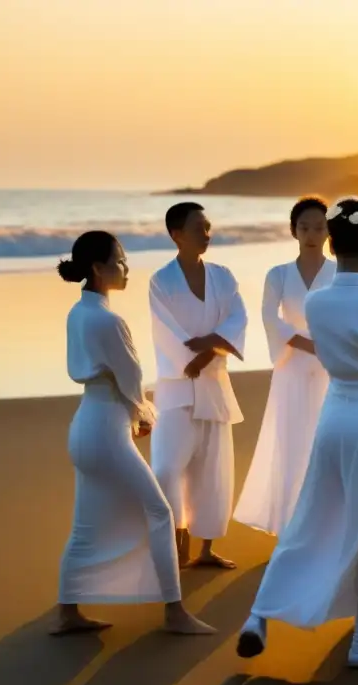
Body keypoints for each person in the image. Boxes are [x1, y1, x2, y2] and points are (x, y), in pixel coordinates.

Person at [236, 197, 358, 669]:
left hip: (334, 418)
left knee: (309, 518)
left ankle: (258, 616)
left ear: (332, 241)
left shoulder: (318, 302)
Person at [53, 230, 213, 635]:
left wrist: (134, 413)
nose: (125, 268)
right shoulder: (109, 320)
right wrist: (144, 415)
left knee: (86, 523)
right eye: (120, 260)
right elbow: (130, 379)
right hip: (106, 428)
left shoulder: (79, 312)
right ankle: (175, 613)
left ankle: (68, 611)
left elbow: (112, 378)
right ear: (98, 268)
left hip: (85, 426)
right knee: (160, 512)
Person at [149, 202, 247, 569]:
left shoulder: (224, 276)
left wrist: (208, 352)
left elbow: (238, 318)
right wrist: (192, 357)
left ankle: (205, 550)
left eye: (208, 227)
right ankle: (176, 543)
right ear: (176, 235)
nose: (205, 234)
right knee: (167, 468)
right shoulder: (161, 280)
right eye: (197, 229)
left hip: (214, 382)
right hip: (176, 386)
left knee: (212, 468)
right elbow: (166, 329)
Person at [232, 197, 336, 536]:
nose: (311, 234)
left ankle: (324, 525)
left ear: (328, 231)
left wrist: (329, 345)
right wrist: (303, 342)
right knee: (291, 442)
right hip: (291, 366)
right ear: (294, 230)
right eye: (304, 227)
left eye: (319, 228)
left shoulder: (337, 272)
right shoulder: (278, 274)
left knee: (324, 440)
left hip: (330, 366)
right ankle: (292, 525)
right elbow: (268, 316)